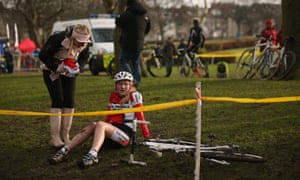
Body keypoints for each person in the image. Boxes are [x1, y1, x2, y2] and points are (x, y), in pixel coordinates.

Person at [48, 71, 151, 168]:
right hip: (112, 132)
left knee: (100, 124)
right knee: (94, 124)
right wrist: (99, 131)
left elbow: (140, 116)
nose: (123, 87)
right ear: (116, 85)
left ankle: (93, 155)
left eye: (125, 84)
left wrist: (147, 136)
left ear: (130, 85)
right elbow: (109, 116)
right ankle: (63, 151)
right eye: (120, 84)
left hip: (126, 135)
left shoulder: (135, 95)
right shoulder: (113, 95)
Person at [39, 24, 91, 148]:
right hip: (52, 70)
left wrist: (79, 67)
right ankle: (55, 137)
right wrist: (57, 67)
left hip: (69, 71)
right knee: (58, 100)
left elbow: (84, 57)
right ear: (73, 37)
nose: (81, 45)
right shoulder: (58, 39)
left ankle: (65, 135)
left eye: (83, 42)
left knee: (69, 101)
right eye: (79, 42)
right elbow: (43, 55)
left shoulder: (85, 44)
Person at [115, 0, 151, 89]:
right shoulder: (144, 15)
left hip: (128, 42)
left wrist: (122, 13)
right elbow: (148, 27)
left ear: (128, 5)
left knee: (123, 60)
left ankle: (130, 79)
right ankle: (136, 82)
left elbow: (119, 23)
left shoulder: (128, 14)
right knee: (136, 63)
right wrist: (142, 35)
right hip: (139, 44)